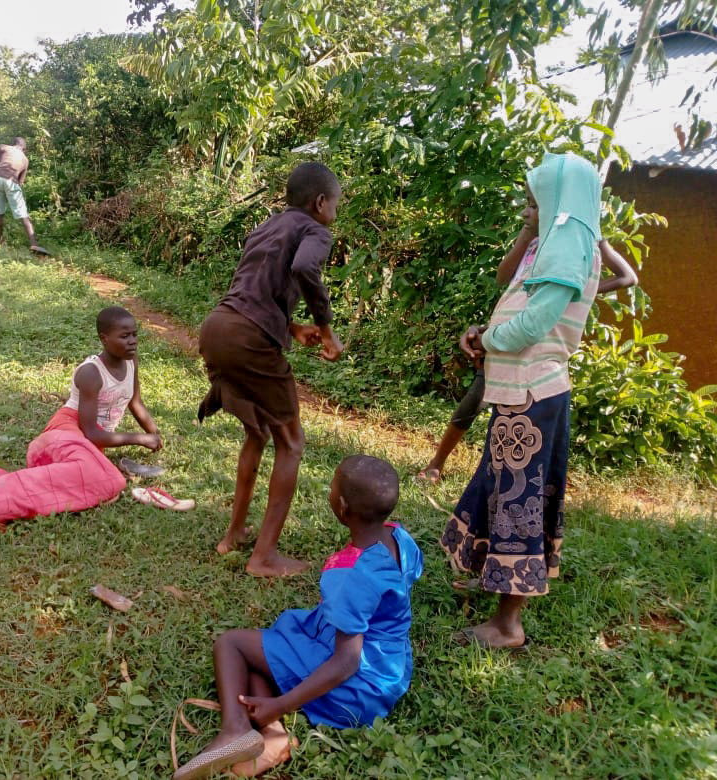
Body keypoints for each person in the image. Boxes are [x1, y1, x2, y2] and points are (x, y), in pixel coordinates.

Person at [440, 151, 606, 649]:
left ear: (558, 201)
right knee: (502, 489)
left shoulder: (571, 246)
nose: (527, 211)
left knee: (520, 504)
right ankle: (492, 579)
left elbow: (534, 325)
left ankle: (507, 624)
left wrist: (486, 341)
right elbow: (513, 297)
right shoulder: (554, 245)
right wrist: (483, 332)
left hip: (534, 393)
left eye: (535, 202)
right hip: (520, 393)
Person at [172, 456, 423, 780]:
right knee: (278, 640)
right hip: (390, 668)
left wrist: (283, 704)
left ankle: (235, 729)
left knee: (231, 644)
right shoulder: (401, 538)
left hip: (359, 685)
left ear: (343, 507)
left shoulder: (349, 575)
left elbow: (346, 661)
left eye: (332, 488)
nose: (329, 492)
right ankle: (272, 739)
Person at [416, 193, 638, 484]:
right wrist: (529, 231)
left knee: (518, 420)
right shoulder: (534, 245)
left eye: (534, 205)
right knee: (472, 404)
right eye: (527, 204)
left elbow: (627, 276)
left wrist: (577, 293)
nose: (525, 212)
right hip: (507, 338)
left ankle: (505, 479)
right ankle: (437, 464)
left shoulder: (586, 244)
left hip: (535, 348)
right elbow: (504, 278)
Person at [198, 162, 345, 578]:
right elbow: (303, 268)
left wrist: (293, 327)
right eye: (335, 204)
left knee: (257, 431)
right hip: (248, 338)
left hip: (218, 327)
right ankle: (263, 557)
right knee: (292, 442)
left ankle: (235, 534)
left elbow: (254, 287)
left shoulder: (266, 226)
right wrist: (326, 327)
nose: (335, 212)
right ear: (320, 203)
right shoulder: (316, 230)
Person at [0, 307, 162, 529]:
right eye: (124, 336)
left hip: (83, 449)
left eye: (134, 335)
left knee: (74, 480)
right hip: (63, 434)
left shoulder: (130, 362)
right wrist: (139, 438)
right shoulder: (91, 373)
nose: (132, 342)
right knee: (109, 481)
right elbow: (92, 433)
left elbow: (135, 402)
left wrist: (154, 434)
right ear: (104, 339)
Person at [0, 136, 47, 254]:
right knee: (22, 214)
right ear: (24, 148)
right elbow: (21, 182)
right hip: (12, 182)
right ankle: (34, 244)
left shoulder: (3, 147)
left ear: (13, 144)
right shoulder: (25, 160)